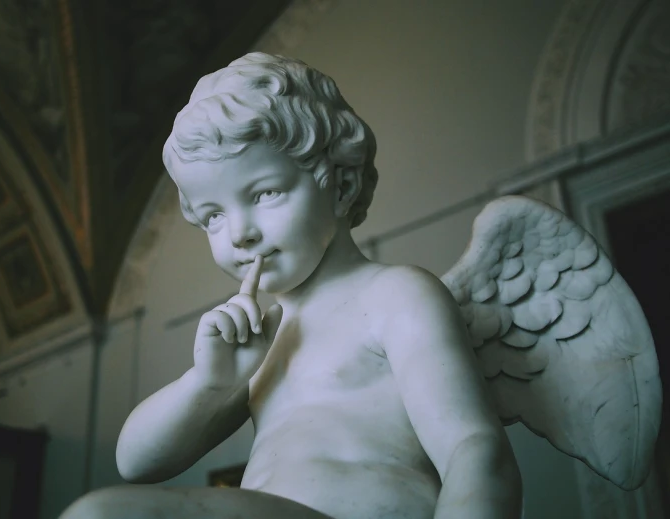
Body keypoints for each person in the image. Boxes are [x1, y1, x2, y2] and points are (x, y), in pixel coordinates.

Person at [61, 52, 522, 519]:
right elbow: (136, 462)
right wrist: (209, 383)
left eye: (264, 193)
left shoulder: (394, 295)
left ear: (340, 186)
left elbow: (475, 449)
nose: (239, 232)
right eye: (213, 216)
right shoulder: (260, 338)